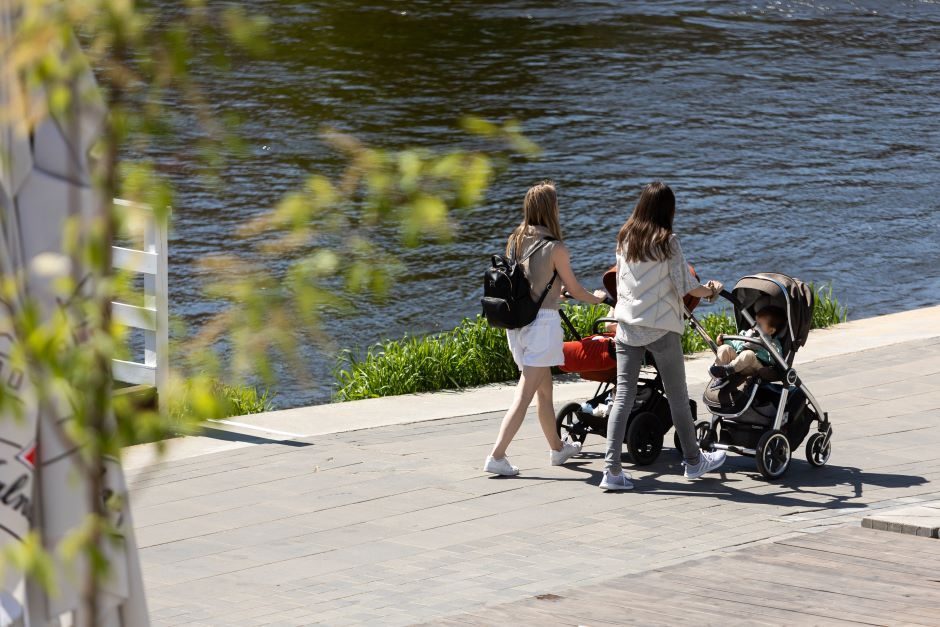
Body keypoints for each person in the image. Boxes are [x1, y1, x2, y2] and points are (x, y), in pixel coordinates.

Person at [600, 181, 727, 490]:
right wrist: (711, 291)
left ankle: (611, 471)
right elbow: (686, 285)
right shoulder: (668, 241)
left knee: (623, 397)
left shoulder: (625, 237)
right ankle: (694, 462)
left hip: (627, 325)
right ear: (667, 210)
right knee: (677, 396)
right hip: (660, 327)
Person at [484, 181, 608, 476]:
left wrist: (556, 292)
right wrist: (598, 299)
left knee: (544, 392)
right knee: (524, 395)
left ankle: (557, 448)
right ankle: (497, 455)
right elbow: (576, 289)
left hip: (517, 325)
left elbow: (528, 282)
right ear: (551, 209)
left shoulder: (515, 238)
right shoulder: (556, 247)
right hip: (543, 326)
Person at [709, 306, 786, 379]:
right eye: (754, 323)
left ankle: (727, 370)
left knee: (748, 354)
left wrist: (767, 346)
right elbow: (735, 344)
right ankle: (718, 373)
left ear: (771, 330)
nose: (754, 326)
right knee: (724, 348)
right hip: (739, 363)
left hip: (756, 367)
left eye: (759, 325)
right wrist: (725, 340)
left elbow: (776, 360)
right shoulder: (747, 334)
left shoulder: (773, 343)